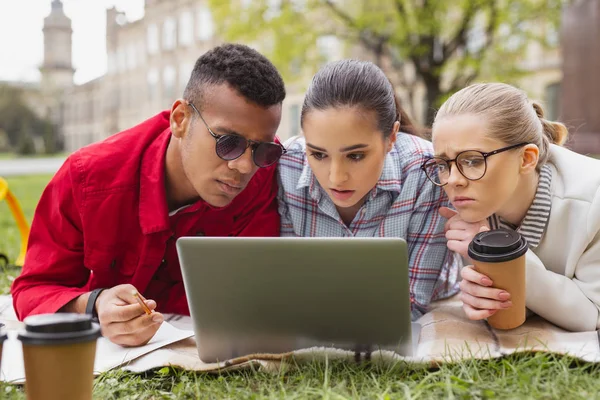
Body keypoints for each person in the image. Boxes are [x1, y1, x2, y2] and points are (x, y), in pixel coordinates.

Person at [12, 43, 287, 346]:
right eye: (227, 142)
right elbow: (33, 288)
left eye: (263, 148)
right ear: (180, 119)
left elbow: (254, 295)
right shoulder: (87, 178)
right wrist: (94, 304)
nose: (245, 166)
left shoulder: (265, 175)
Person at [277, 60, 461, 319]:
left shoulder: (426, 171)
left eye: (355, 156)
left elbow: (411, 303)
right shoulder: (288, 166)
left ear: (392, 137)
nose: (336, 178)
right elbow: (290, 283)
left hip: (434, 301)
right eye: (318, 154)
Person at [423, 82, 600, 332]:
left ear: (527, 159)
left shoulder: (593, 201)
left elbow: (593, 315)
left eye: (473, 160)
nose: (452, 180)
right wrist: (485, 295)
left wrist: (506, 262)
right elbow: (512, 305)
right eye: (442, 164)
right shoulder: (475, 206)